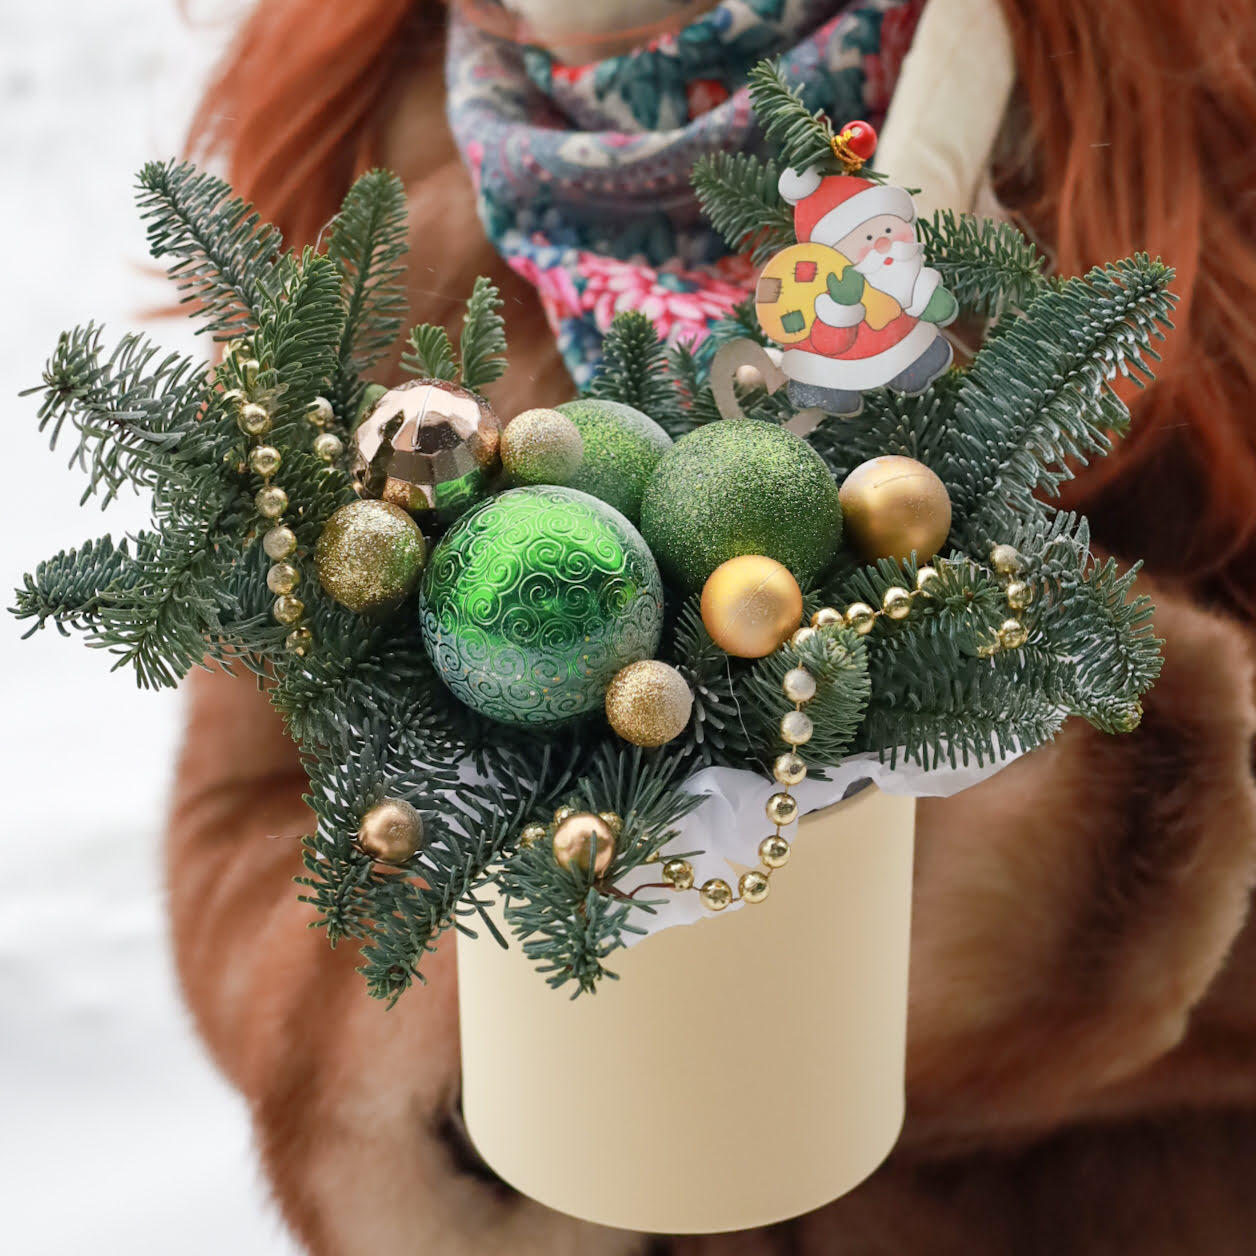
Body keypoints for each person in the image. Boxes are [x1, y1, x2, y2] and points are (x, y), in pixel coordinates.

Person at [168, 1, 1256, 1252]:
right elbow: (245, 826)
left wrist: (1055, 855)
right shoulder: (371, 165)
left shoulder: (1157, 98)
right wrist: (465, 1029)